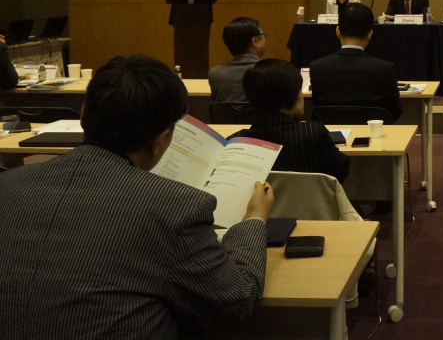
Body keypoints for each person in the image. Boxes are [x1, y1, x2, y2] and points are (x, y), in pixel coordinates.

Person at [0, 54, 273, 339]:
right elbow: (238, 299)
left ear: (82, 115)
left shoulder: (6, 184)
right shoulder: (176, 207)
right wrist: (254, 219)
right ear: (161, 140)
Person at [229, 59, 349, 182]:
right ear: (290, 96)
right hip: (309, 195)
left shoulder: (236, 142)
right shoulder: (313, 133)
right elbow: (340, 169)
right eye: (299, 89)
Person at [309, 3, 403, 122]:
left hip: (329, 132)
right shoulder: (384, 69)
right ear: (370, 34)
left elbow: (318, 109)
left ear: (338, 31)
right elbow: (395, 110)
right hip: (373, 133)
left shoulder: (317, 67)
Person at [208, 17, 267, 103]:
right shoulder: (270, 73)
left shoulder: (214, 74)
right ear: (255, 41)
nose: (265, 37)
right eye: (264, 34)